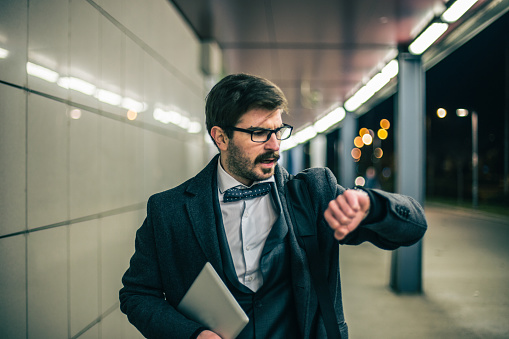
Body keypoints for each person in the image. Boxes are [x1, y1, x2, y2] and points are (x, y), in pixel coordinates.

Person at [119, 73, 427, 339]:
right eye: (259, 133)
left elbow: (413, 226)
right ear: (221, 137)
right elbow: (137, 294)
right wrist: (191, 334)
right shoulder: (169, 211)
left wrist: (372, 206)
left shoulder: (312, 194)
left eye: (278, 130)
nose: (274, 145)